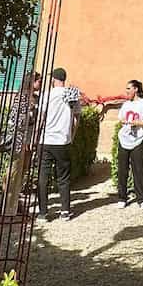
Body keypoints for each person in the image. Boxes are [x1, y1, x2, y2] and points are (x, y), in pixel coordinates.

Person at [37, 68, 80, 221]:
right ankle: (65, 211)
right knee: (63, 177)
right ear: (64, 79)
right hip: (62, 141)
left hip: (45, 140)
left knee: (43, 176)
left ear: (53, 79)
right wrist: (71, 137)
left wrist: (37, 136)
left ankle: (43, 212)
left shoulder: (46, 95)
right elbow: (76, 118)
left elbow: (41, 118)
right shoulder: (72, 94)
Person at [3, 71, 41, 215]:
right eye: (39, 81)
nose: (40, 84)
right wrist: (25, 139)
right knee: (14, 172)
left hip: (28, 142)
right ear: (31, 82)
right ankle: (9, 205)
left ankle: (15, 201)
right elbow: (17, 122)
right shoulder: (22, 98)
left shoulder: (34, 98)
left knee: (22, 171)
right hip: (20, 142)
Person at [117, 78, 143, 210]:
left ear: (135, 89)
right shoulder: (125, 104)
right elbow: (121, 119)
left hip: (138, 141)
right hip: (124, 140)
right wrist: (124, 122)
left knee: (138, 170)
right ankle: (122, 198)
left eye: (128, 88)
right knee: (122, 170)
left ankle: (142, 199)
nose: (126, 91)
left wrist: (138, 123)